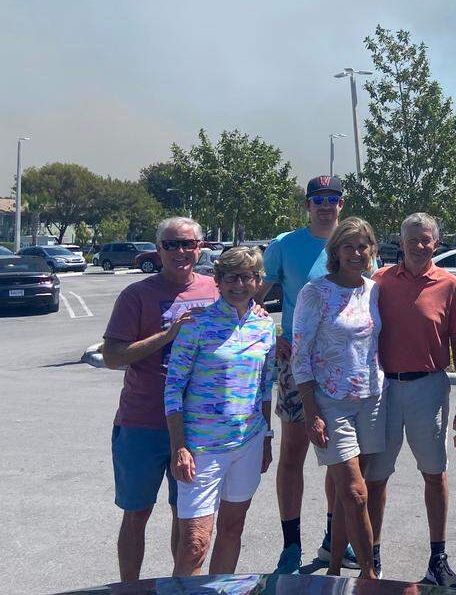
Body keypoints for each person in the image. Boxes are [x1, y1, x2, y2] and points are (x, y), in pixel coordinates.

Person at [102, 217, 219, 583]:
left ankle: (179, 586)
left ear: (200, 247)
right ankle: (129, 588)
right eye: (171, 245)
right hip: (142, 422)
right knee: (136, 513)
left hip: (198, 426)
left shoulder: (216, 288)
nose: (180, 252)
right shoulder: (136, 295)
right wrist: (169, 334)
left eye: (188, 244)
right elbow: (113, 356)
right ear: (158, 249)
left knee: (184, 515)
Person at [367, 212, 456, 589]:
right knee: (376, 477)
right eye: (412, 237)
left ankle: (437, 557)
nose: (418, 244)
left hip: (428, 386)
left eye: (425, 238)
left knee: (434, 473)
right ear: (400, 241)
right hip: (383, 389)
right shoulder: (378, 283)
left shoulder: (449, 284)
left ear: (436, 243)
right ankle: (371, 556)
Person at [165, 246, 276, 577]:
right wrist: (179, 447)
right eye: (230, 277)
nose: (239, 284)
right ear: (218, 280)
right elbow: (172, 389)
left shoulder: (265, 325)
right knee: (195, 543)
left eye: (247, 277)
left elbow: (264, 388)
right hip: (201, 449)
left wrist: (267, 437)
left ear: (258, 281)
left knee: (232, 530)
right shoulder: (196, 324)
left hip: (249, 443)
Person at [258, 175, 348, 573]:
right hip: (297, 365)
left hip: (342, 367)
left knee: (336, 456)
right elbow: (252, 299)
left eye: (333, 198)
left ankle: (333, 540)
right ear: (308, 205)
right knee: (293, 454)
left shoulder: (353, 242)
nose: (325, 205)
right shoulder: (285, 245)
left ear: (341, 204)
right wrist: (275, 332)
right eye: (318, 199)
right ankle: (290, 545)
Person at [292, 217, 386, 580]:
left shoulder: (373, 289)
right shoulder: (315, 292)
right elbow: (301, 354)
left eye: (363, 246)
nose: (357, 253)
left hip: (372, 398)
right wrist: (311, 410)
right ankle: (368, 575)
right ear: (336, 252)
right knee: (354, 492)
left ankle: (333, 568)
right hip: (331, 402)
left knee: (354, 495)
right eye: (348, 246)